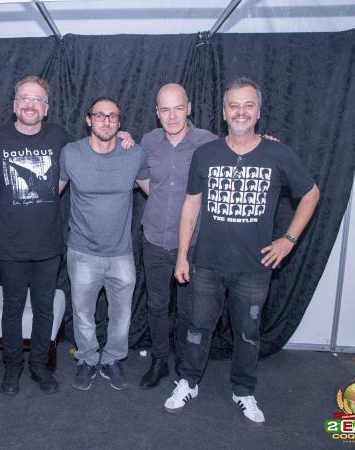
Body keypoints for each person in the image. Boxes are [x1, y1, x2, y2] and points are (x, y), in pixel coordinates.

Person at [167, 77, 320, 424]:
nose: (240, 112)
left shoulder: (277, 154)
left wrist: (288, 239)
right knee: (197, 327)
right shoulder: (205, 154)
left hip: (254, 268)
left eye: (248, 105)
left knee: (248, 334)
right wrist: (182, 255)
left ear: (258, 112)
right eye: (233, 105)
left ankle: (244, 390)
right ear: (224, 112)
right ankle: (188, 382)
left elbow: (311, 194)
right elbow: (191, 206)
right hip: (207, 264)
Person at [0, 76, 136, 395]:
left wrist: (121, 135)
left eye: (38, 99)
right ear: (14, 104)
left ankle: (39, 366)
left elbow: (98, 140)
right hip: (9, 242)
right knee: (12, 309)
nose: (30, 104)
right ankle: (12, 367)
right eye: (24, 98)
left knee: (44, 309)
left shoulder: (61, 140)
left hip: (48, 244)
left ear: (47, 108)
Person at [59, 97, 150, 391]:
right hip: (82, 252)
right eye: (99, 115)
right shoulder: (71, 153)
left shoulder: (133, 154)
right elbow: (49, 193)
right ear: (88, 119)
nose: (106, 121)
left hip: (121, 253)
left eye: (112, 116)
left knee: (121, 317)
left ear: (119, 122)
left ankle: (112, 359)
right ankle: (87, 359)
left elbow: (157, 192)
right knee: (83, 314)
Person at [138, 84, 217, 389]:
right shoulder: (148, 142)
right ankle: (159, 361)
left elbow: (241, 152)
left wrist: (266, 143)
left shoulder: (208, 142)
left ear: (189, 108)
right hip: (154, 238)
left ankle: (185, 364)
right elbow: (142, 178)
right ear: (157, 113)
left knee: (187, 309)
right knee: (157, 305)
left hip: (193, 243)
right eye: (165, 109)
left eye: (178, 108)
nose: (172, 116)